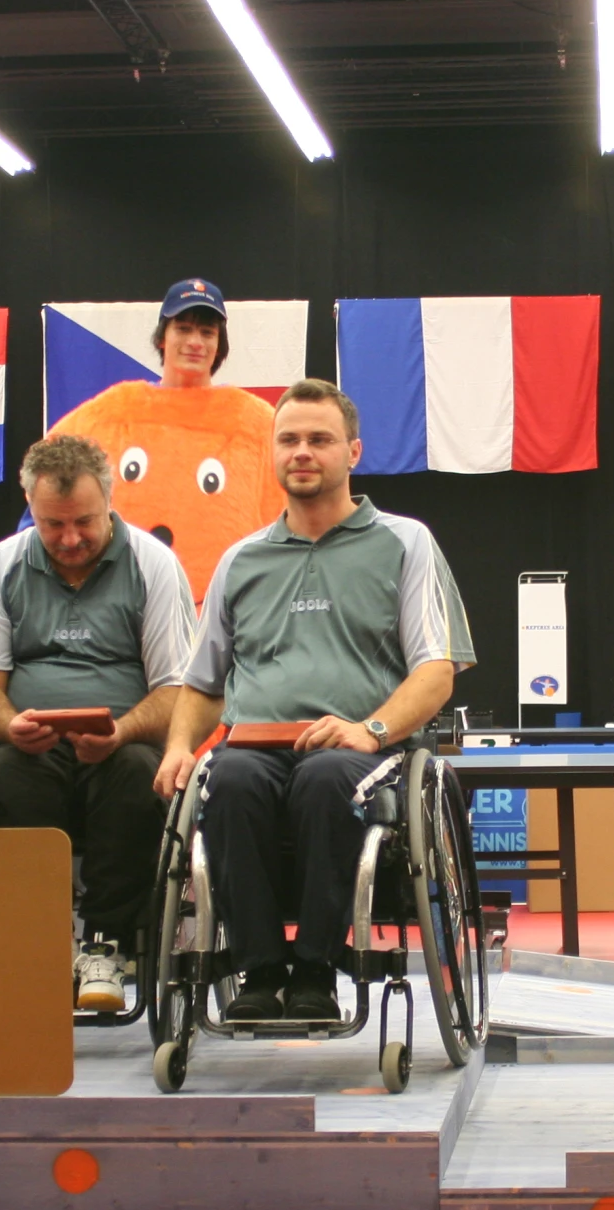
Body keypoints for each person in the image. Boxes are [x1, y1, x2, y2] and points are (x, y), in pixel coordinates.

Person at [154, 378, 475, 1023]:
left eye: (320, 440)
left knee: (327, 779)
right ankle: (260, 968)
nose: (303, 451)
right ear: (272, 454)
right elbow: (202, 683)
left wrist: (372, 729)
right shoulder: (240, 560)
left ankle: (316, 970)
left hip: (360, 748)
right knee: (232, 782)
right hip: (255, 744)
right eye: (289, 439)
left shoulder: (405, 542)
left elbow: (436, 671)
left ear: (352, 451)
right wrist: (180, 746)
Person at [0, 433, 196, 1012]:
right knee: (9, 769)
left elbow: (177, 688)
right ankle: (44, 938)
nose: (69, 539)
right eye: (51, 524)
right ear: (30, 509)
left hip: (123, 740)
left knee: (139, 770)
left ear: (109, 503)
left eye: (84, 522)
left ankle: (107, 944)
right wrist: (10, 725)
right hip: (30, 744)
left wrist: (125, 729)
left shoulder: (153, 566)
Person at [47, 279, 282, 599]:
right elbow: (46, 482)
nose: (195, 341)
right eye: (183, 329)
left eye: (207, 332)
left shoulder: (255, 423)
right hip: (125, 607)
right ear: (162, 337)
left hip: (222, 611)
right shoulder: (114, 413)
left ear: (219, 344)